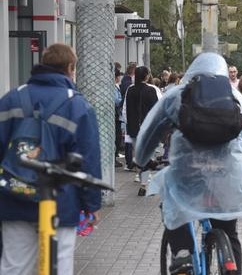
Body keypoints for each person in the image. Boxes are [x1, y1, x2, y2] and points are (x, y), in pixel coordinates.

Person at [134, 52, 242, 275]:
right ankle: (230, 265)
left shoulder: (177, 95)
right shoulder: (235, 97)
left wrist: (141, 160)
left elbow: (150, 134)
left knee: (172, 201)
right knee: (229, 231)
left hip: (189, 172)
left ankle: (183, 255)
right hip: (227, 175)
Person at [0, 43, 102, 275]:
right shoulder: (77, 105)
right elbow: (88, 159)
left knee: (15, 266)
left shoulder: (10, 100)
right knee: (58, 265)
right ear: (70, 67)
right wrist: (92, 204)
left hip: (14, 197)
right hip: (61, 202)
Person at [123, 66, 160, 193]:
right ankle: (144, 184)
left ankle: (139, 174)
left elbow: (125, 109)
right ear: (146, 76)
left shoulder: (130, 90)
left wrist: (127, 124)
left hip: (133, 128)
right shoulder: (151, 90)